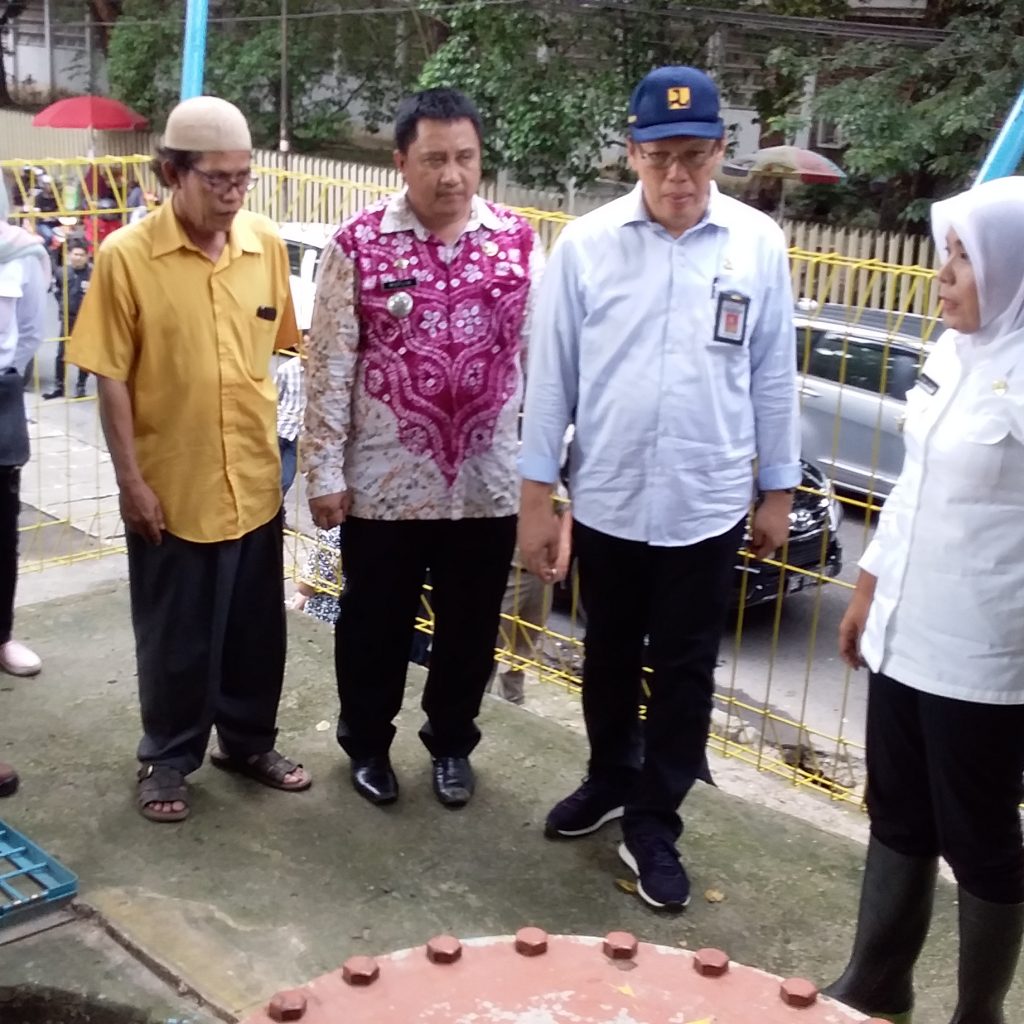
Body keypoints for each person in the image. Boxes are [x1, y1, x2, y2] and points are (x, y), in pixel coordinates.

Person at [517, 65, 799, 910]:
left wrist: (777, 491)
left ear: (721, 150)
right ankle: (610, 776)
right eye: (660, 156)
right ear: (631, 153)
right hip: (609, 498)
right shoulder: (587, 245)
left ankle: (655, 819)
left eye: (695, 155)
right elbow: (551, 382)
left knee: (685, 668)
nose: (679, 175)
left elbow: (773, 375)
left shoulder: (756, 244)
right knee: (606, 653)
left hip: (705, 503)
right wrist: (538, 501)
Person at [68, 96, 311, 824]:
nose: (233, 194)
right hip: (171, 488)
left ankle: (248, 743)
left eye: (244, 178)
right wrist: (130, 482)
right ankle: (168, 758)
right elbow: (111, 376)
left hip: (254, 479)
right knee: (175, 638)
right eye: (217, 179)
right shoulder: (126, 257)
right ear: (172, 173)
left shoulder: (263, 245)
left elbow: (278, 348)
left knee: (255, 631)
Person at [304, 87, 543, 809]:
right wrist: (323, 470)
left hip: (486, 485)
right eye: (434, 158)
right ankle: (368, 745)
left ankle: (452, 744)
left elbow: (542, 367)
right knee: (373, 625)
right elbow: (329, 364)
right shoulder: (357, 244)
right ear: (401, 161)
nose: (451, 174)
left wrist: (544, 479)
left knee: (470, 630)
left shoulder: (518, 242)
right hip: (384, 486)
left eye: (465, 157)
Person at [823, 177, 1024, 1024]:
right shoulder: (951, 353)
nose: (943, 276)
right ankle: (877, 983)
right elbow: (910, 490)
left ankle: (977, 1013)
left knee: (980, 837)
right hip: (905, 633)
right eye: (946, 254)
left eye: (964, 259)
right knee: (897, 811)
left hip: (984, 656)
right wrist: (866, 592)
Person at [0, 180, 50, 793]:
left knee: (2, 538)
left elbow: (33, 331)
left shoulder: (21, 253)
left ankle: (2, 637)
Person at [43, 239, 92, 400]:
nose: (78, 258)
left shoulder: (93, 273)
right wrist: (62, 306)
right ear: (69, 255)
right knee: (61, 353)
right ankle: (59, 386)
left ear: (87, 256)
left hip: (86, 319)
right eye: (75, 254)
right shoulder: (62, 272)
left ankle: (81, 385)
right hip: (67, 317)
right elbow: (56, 291)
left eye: (82, 255)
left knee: (84, 354)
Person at [275, 353, 305, 498]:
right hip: (281, 429)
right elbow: (275, 397)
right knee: (266, 476)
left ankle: (276, 507)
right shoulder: (286, 369)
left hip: (299, 434)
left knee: (285, 480)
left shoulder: (320, 372)